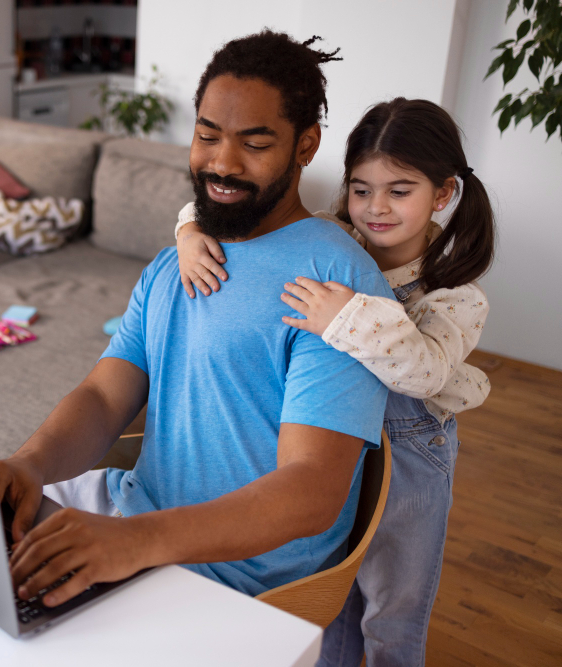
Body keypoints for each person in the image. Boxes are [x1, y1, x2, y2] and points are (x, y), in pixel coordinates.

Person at [0, 31, 393, 610]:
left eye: (255, 143)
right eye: (207, 136)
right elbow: (104, 396)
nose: (222, 163)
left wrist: (135, 542)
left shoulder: (340, 286)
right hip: (130, 517)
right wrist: (30, 465)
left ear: (306, 146)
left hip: (235, 582)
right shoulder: (172, 265)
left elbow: (311, 491)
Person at [174, 98, 495, 666]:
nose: (376, 207)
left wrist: (345, 317)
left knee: (393, 607)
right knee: (333, 587)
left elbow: (425, 372)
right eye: (361, 189)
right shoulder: (331, 237)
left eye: (400, 191)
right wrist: (190, 229)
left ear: (443, 194)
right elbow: (243, 212)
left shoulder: (455, 295)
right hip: (336, 440)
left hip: (410, 454)